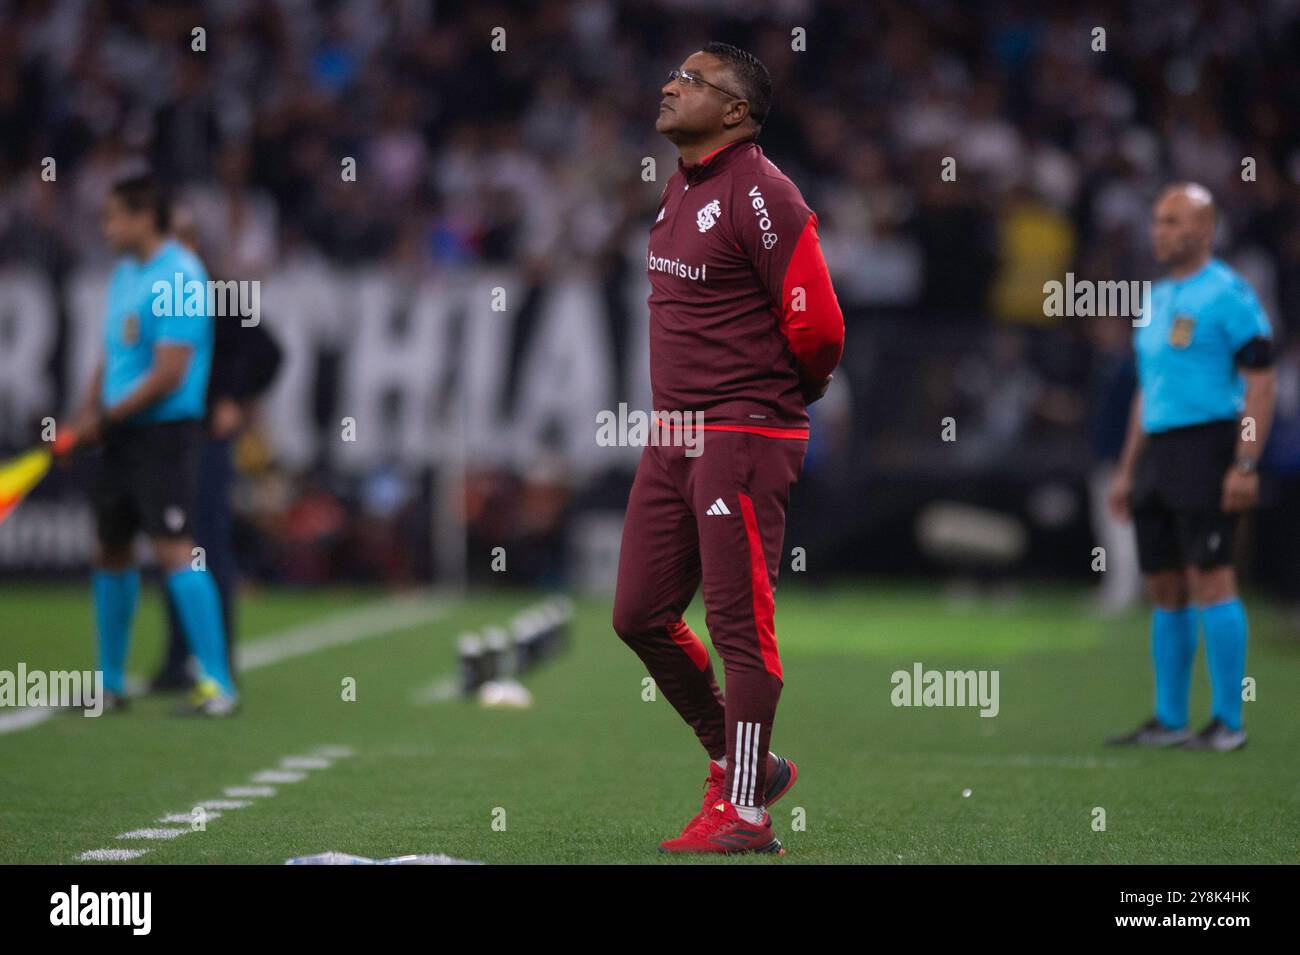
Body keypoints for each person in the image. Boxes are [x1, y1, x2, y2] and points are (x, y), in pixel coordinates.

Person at [613, 42, 845, 853]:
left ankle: (744, 810)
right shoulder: (683, 182)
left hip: (740, 430)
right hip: (674, 430)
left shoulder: (763, 190)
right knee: (637, 613)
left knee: (739, 624)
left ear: (737, 112)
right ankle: (742, 759)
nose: (671, 85)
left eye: (693, 80)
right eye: (673, 72)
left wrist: (786, 396)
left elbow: (820, 326)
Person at [1106, 183, 1276, 751]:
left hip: (1209, 445)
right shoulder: (1154, 298)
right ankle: (1170, 718)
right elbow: (1145, 392)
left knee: (1212, 575)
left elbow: (1261, 381)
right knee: (1166, 585)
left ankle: (1229, 720)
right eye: (1158, 220)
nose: (1161, 231)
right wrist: (1128, 470)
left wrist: (1246, 461)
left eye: (1174, 221)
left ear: (1205, 229)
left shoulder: (1229, 294)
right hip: (1159, 451)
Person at [61, 173, 238, 716]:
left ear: (144, 216)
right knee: (111, 549)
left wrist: (105, 419)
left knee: (173, 548)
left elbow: (170, 373)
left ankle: (218, 685)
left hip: (163, 433)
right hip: (118, 432)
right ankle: (109, 684)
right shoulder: (125, 272)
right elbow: (111, 356)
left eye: (114, 216)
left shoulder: (181, 275)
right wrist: (85, 414)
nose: (106, 226)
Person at [151, 203, 282, 693]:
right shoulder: (159, 292)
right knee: (172, 544)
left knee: (205, 543)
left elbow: (270, 352)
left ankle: (216, 656)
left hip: (205, 435)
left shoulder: (223, 292)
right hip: (166, 435)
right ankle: (176, 658)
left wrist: (234, 398)